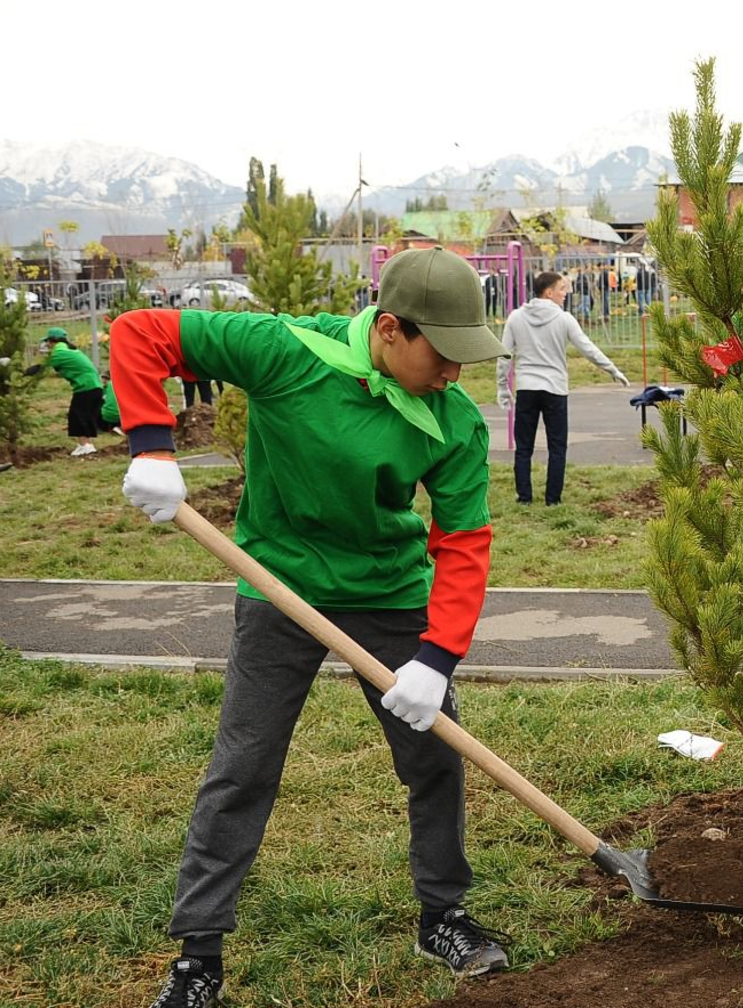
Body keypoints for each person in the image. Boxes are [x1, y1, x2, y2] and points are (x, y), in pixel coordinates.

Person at [112, 247, 514, 1007]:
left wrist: (436, 656)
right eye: (442, 353)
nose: (455, 372)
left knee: (435, 758)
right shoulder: (287, 351)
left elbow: (464, 541)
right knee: (244, 765)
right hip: (280, 588)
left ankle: (443, 916)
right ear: (390, 329)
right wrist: (151, 446)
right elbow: (141, 332)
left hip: (390, 595)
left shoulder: (452, 419)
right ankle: (199, 956)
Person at [497, 270, 631, 506]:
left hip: (527, 387)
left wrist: (502, 386)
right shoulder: (563, 319)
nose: (566, 294)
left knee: (523, 446)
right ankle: (553, 499)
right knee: (557, 446)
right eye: (562, 289)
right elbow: (587, 348)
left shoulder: (516, 317)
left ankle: (524, 497)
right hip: (555, 389)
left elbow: (505, 355)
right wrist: (612, 369)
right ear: (548, 292)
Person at [25, 327, 104, 456]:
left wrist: (21, 373)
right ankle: (86, 445)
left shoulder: (59, 353)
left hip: (86, 387)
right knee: (85, 416)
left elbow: (41, 368)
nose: (47, 345)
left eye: (48, 342)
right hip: (95, 386)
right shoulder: (68, 350)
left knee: (77, 416)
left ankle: (85, 446)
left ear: (52, 341)